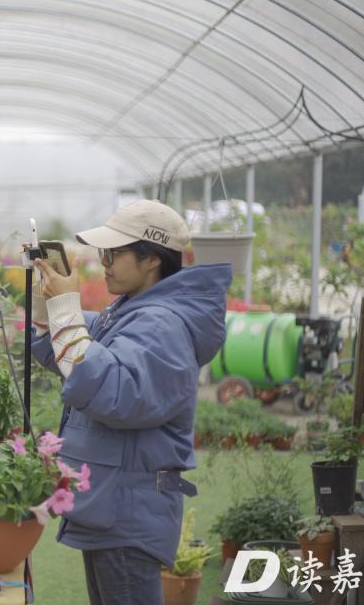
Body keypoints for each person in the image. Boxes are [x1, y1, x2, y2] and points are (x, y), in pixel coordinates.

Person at [29, 200, 231, 604]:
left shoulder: (162, 324)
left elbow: (115, 392)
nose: (103, 263)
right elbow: (76, 356)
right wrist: (47, 311)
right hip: (113, 504)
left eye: (113, 253)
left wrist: (66, 313)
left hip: (127, 513)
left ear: (152, 258)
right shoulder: (132, 311)